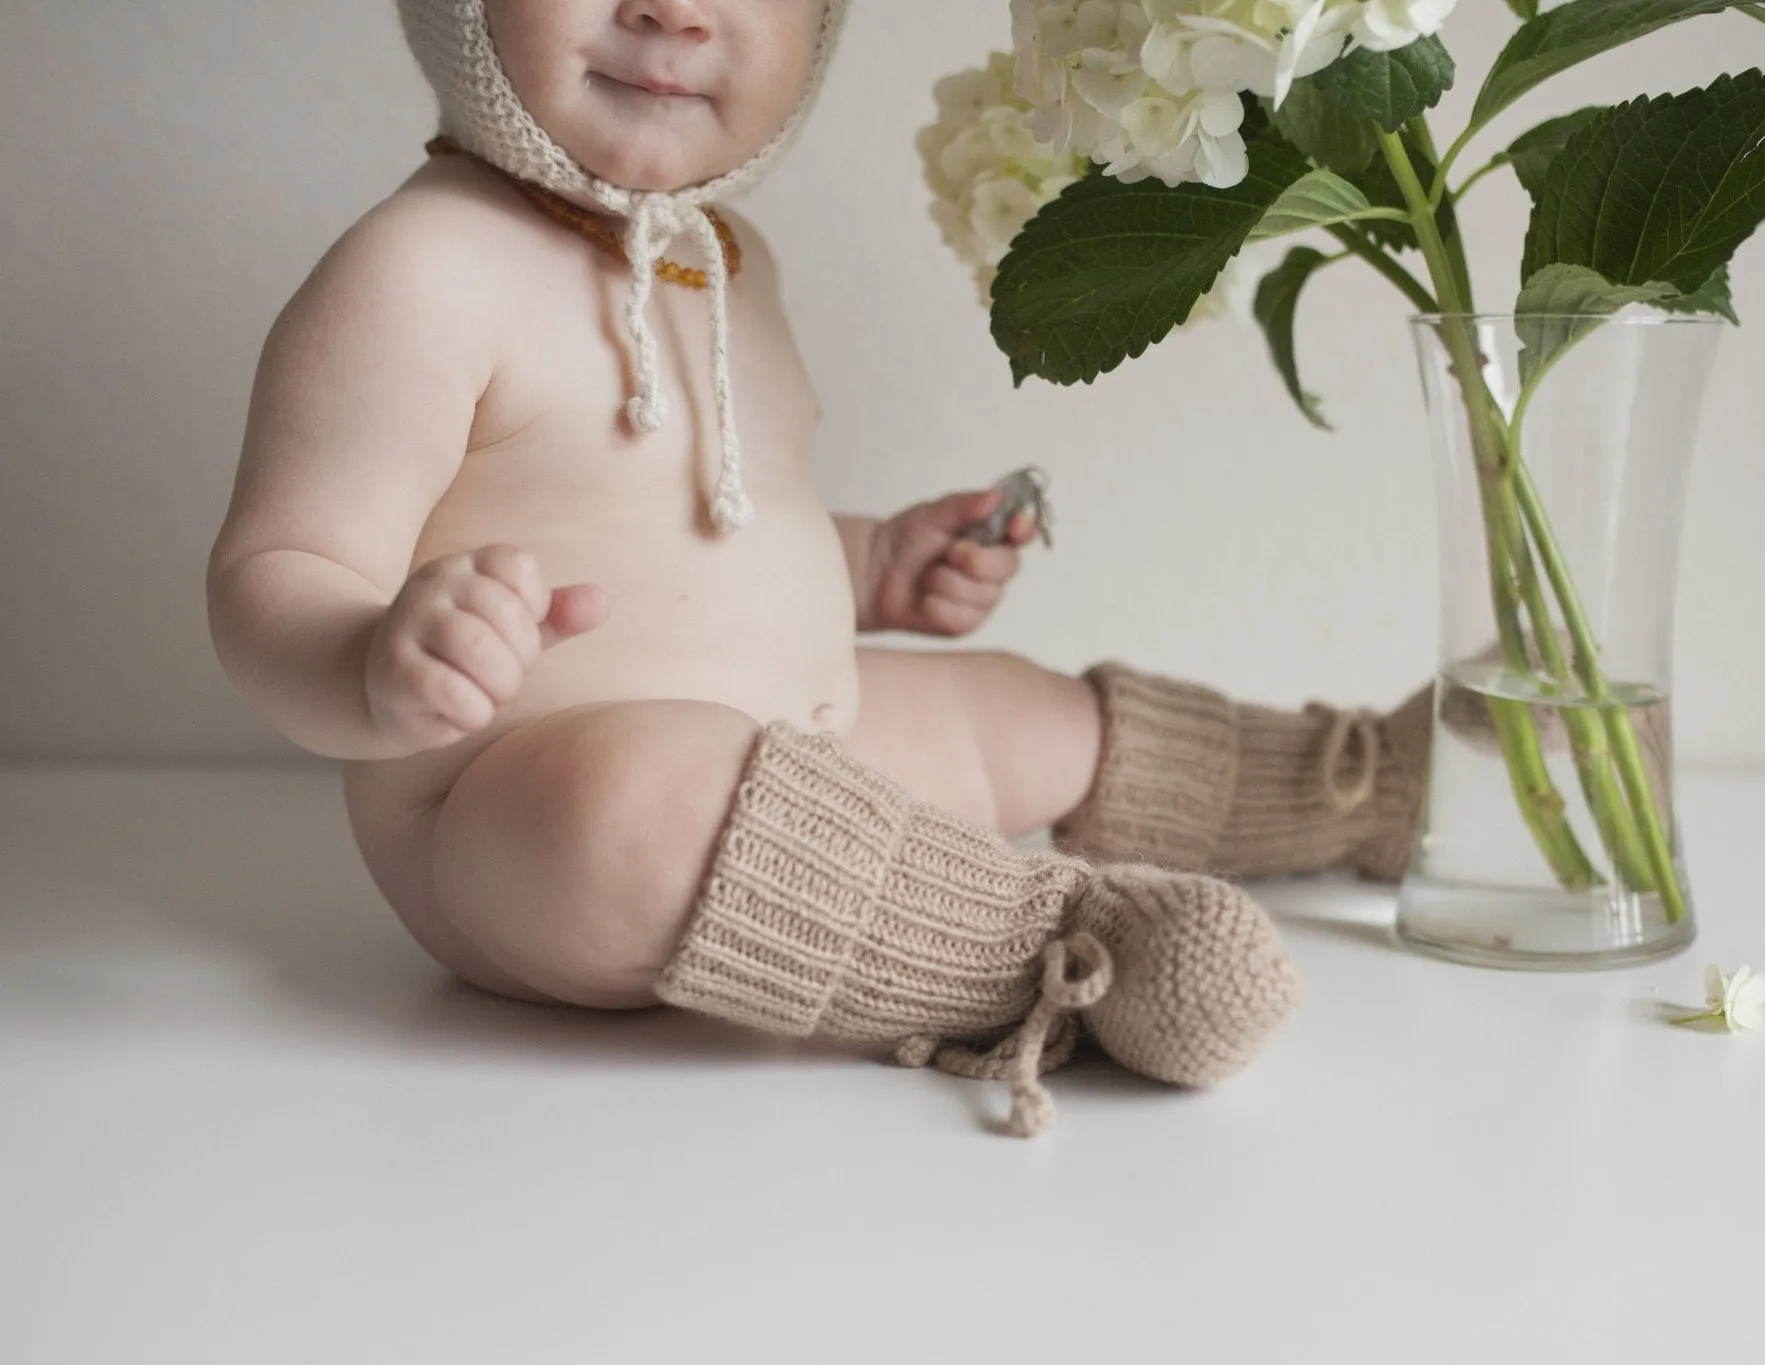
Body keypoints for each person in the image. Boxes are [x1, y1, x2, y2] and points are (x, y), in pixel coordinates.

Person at [204, 0, 1431, 1136]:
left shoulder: (725, 264)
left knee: (1002, 706)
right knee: (630, 803)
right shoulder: (417, 271)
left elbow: (717, 546)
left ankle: (1346, 786)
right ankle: (1060, 953)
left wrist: (872, 566)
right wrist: (371, 660)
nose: (674, 10)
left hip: (788, 754)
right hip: (510, 824)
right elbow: (280, 564)